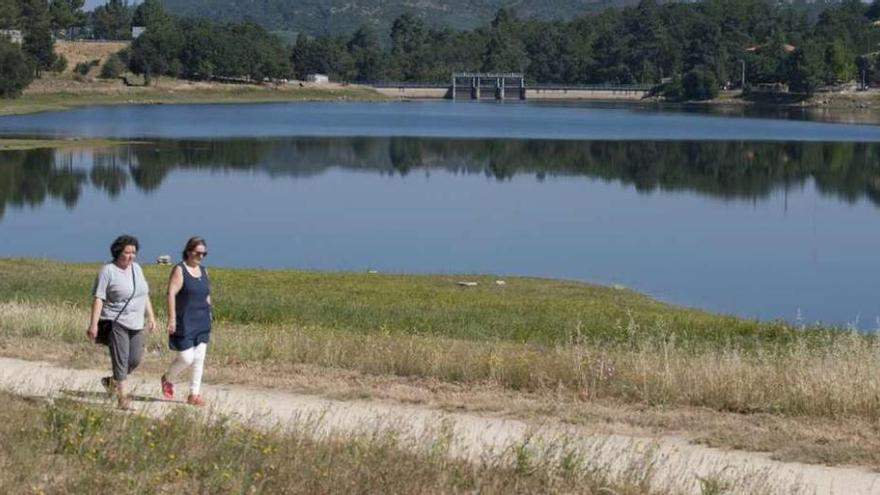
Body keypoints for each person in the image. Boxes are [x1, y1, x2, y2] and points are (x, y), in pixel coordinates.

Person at [87, 235, 156, 410]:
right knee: (121, 360)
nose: (131, 255)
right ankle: (122, 398)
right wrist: (93, 324)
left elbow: (143, 293)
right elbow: (99, 299)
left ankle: (112, 381)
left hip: (136, 322)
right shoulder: (107, 271)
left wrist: (151, 317)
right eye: (127, 252)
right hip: (116, 321)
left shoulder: (137, 269)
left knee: (134, 359)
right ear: (118, 252)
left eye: (134, 252)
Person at [161, 236, 212, 406]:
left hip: (202, 320)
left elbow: (206, 294)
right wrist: (172, 318)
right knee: (186, 358)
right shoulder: (179, 270)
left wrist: (210, 311)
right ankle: (167, 378)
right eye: (198, 253)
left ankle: (194, 394)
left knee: (199, 358)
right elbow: (170, 294)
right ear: (189, 251)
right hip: (185, 320)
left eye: (204, 253)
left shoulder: (204, 271)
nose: (201, 256)